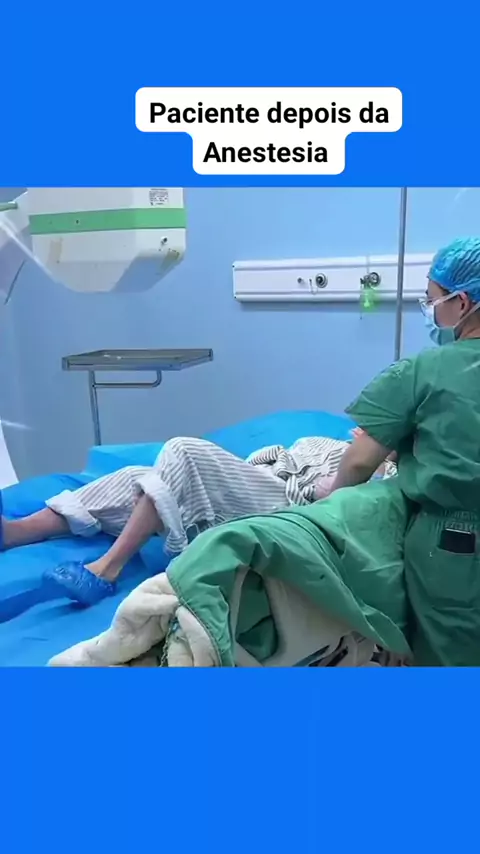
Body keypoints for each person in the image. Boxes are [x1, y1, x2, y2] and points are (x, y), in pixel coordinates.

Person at [319, 236, 480, 666]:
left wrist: (327, 507)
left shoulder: (425, 370)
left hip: (456, 551)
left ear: (462, 303)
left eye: (432, 299)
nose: (429, 310)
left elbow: (359, 460)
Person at [0, 432, 395, 607]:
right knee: (136, 476)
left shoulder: (386, 478)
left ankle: (106, 569)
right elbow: (265, 457)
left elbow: (337, 513)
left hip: (285, 510)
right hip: (252, 481)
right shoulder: (321, 442)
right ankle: (16, 532)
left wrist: (340, 480)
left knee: (184, 451)